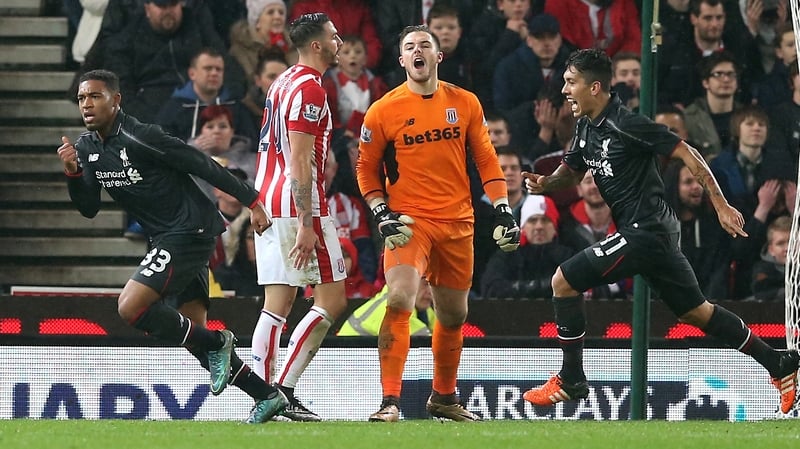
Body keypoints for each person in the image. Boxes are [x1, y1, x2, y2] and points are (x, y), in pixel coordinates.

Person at [520, 48, 800, 415]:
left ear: (596, 87)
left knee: (563, 281)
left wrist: (720, 206)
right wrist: (546, 184)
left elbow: (689, 154)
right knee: (696, 313)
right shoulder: (587, 127)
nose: (565, 90)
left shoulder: (627, 124)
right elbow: (571, 173)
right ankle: (777, 363)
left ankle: (571, 378)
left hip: (646, 231)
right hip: (654, 236)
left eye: (571, 82)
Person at [57, 69, 287, 424]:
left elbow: (200, 164)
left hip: (189, 231)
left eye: (95, 96)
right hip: (167, 236)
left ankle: (218, 343)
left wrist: (252, 200)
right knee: (194, 335)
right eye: (82, 99)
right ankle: (267, 396)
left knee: (131, 307)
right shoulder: (87, 148)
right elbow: (88, 209)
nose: (86, 105)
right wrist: (73, 173)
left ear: (116, 100)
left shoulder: (141, 136)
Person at [356, 25, 521, 422]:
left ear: (437, 56)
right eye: (410, 47)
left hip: (458, 222)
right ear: (401, 60)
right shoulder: (383, 110)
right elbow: (365, 168)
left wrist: (502, 207)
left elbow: (486, 159)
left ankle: (443, 398)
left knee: (453, 316)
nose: (418, 51)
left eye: (424, 46)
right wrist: (380, 211)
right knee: (399, 299)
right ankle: (390, 402)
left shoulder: (464, 103)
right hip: (408, 221)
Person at [250, 13, 347, 423]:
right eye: (335, 36)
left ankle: (260, 394)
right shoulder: (310, 89)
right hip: (296, 205)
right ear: (319, 45)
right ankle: (282, 391)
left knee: (278, 303)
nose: (340, 41)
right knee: (332, 300)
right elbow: (302, 161)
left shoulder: (283, 80)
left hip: (267, 198)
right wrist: (308, 223)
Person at [154, 47, 258, 144]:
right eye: (208, 68)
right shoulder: (173, 109)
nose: (214, 73)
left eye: (218, 69)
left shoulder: (235, 106)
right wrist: (193, 149)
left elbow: (251, 143)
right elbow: (162, 146)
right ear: (192, 74)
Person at [338, 277, 435, 336]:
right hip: (348, 365)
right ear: (407, 282)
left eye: (434, 285)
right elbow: (429, 349)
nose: (431, 292)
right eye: (425, 284)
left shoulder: (424, 310)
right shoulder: (394, 309)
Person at [752, 214, 791, 301]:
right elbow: (762, 294)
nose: (788, 248)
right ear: (771, 249)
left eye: (792, 241)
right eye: (780, 243)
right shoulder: (762, 269)